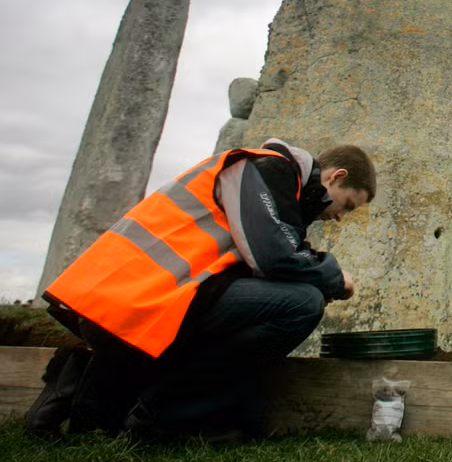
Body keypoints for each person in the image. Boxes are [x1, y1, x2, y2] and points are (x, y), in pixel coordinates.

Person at [27, 137, 375, 441]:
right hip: (140, 297)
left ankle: (75, 386)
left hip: (143, 297)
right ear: (336, 176)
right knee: (301, 304)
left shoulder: (279, 187)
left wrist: (313, 269)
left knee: (289, 302)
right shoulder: (266, 168)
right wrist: (332, 277)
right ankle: (163, 415)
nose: (341, 216)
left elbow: (271, 253)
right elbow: (274, 256)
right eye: (347, 205)